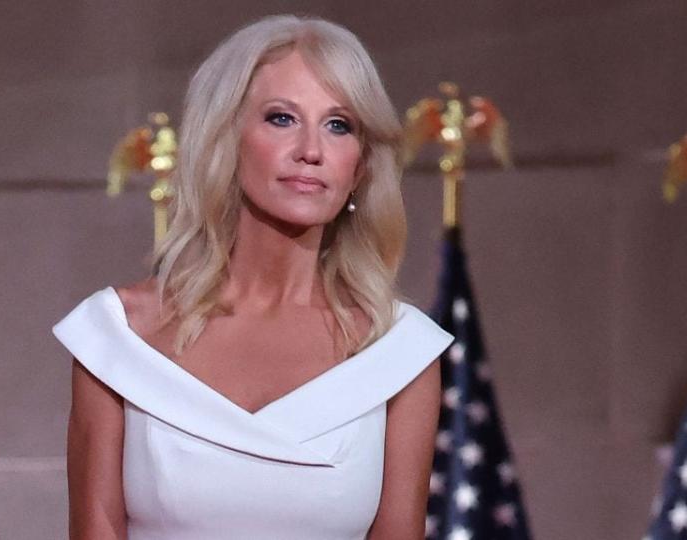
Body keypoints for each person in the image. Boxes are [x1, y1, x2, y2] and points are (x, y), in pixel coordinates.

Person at [53, 14, 454, 540]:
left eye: (339, 126)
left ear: (358, 167)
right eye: (282, 118)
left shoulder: (396, 353)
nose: (312, 150)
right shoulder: (119, 338)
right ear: (225, 141)